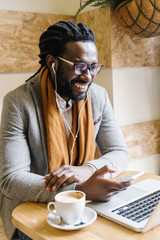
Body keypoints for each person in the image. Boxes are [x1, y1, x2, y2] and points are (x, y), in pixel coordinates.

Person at [0, 21, 130, 240]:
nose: (88, 77)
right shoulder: (17, 102)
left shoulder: (98, 96)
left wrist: (88, 169)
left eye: (93, 67)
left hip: (84, 208)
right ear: (53, 63)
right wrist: (78, 187)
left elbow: (119, 152)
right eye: (80, 67)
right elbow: (11, 180)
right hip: (32, 211)